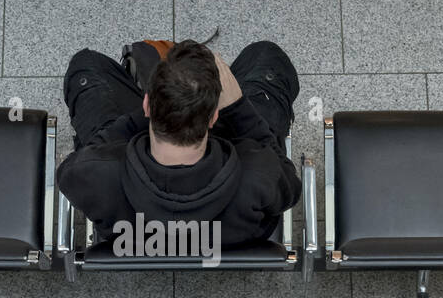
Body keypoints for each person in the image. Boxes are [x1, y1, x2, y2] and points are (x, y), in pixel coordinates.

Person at [57, 39, 301, 256]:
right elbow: (288, 181)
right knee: (265, 55)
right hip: (230, 237)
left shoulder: (94, 172)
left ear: (146, 106)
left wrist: (162, 109)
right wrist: (238, 110)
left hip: (133, 237)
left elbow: (75, 165)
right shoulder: (259, 173)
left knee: (86, 64)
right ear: (215, 117)